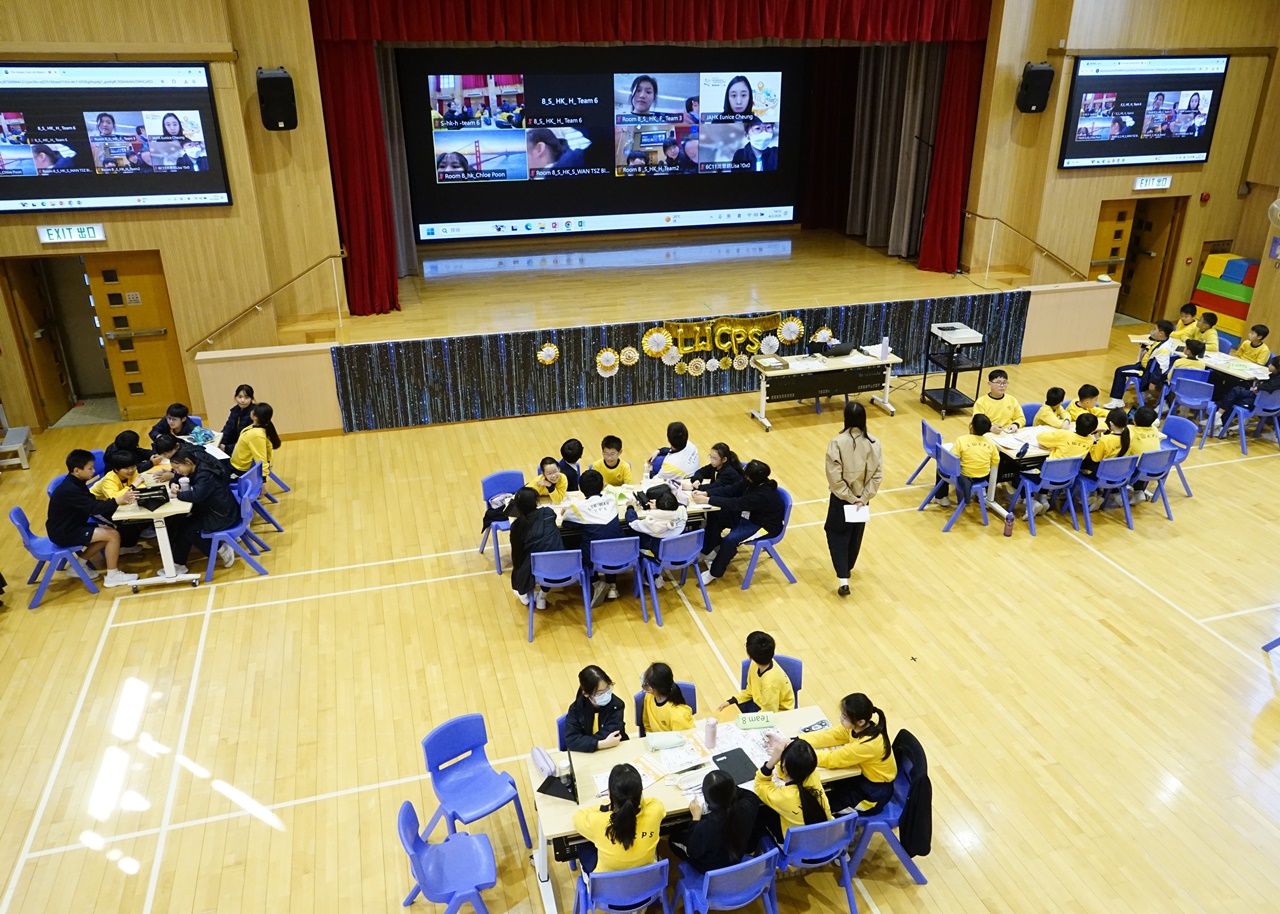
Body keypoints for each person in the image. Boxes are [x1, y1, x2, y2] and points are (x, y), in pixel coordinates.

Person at [46, 450, 139, 587]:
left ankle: (78, 566)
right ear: (77, 470)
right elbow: (93, 508)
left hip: (72, 525)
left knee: (107, 530)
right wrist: (117, 501)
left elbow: (92, 502)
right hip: (64, 532)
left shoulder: (77, 482)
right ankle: (112, 576)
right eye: (90, 468)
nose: (93, 471)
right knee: (112, 535)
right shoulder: (70, 490)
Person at [800, 693, 897, 814]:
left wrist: (802, 754)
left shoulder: (867, 745)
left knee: (823, 809)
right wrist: (799, 740)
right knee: (820, 795)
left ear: (860, 722)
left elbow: (832, 759)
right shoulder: (858, 728)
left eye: (845, 717)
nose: (840, 719)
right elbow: (833, 735)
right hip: (860, 778)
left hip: (872, 794)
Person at [823, 401, 883, 597]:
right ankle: (847, 567)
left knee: (836, 533)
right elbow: (877, 475)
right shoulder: (874, 443)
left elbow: (834, 477)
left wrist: (849, 497)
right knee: (855, 536)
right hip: (862, 501)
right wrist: (863, 498)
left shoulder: (837, 442)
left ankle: (843, 578)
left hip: (841, 500)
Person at [694, 459, 784, 586]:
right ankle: (707, 551)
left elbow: (736, 504)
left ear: (753, 478)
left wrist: (708, 500)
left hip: (763, 526)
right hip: (748, 515)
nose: (745, 477)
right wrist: (706, 492)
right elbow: (731, 490)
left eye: (747, 476)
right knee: (717, 515)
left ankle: (714, 573)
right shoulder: (750, 481)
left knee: (730, 540)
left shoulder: (762, 495)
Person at [572, 763, 662, 873]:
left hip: (607, 882)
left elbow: (578, 816)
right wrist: (635, 800)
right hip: (646, 879)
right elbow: (653, 801)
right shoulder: (655, 811)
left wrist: (605, 807)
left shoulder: (597, 821)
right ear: (641, 791)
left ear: (610, 793)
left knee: (582, 845)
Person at [164, 448, 238, 577]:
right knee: (182, 525)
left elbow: (197, 496)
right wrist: (173, 484)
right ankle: (179, 564)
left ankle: (222, 549)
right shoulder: (197, 466)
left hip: (222, 515)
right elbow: (177, 477)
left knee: (188, 530)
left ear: (187, 462)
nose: (177, 471)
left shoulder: (205, 474)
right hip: (215, 509)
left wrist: (178, 495)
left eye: (177, 467)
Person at [669, 769, 758, 874]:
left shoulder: (704, 827)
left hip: (710, 868)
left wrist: (695, 819)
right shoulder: (748, 806)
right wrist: (725, 787)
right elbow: (749, 794)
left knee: (673, 839)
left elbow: (693, 852)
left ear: (707, 800)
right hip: (736, 856)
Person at [561, 469, 623, 605]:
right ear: (602, 486)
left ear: (580, 488)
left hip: (594, 557)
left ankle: (596, 582)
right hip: (620, 553)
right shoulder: (612, 499)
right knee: (609, 539)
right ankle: (612, 585)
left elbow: (566, 524)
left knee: (574, 543)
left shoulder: (577, 507)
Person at [754, 737, 831, 843]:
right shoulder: (814, 776)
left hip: (799, 846)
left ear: (784, 766)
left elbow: (760, 785)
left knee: (761, 813)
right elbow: (788, 772)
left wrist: (773, 760)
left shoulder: (784, 797)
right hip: (828, 839)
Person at [508, 487, 563, 608]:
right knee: (551, 550)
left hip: (536, 568)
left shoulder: (517, 526)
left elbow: (517, 555)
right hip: (563, 566)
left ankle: (526, 598)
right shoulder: (548, 513)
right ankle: (542, 596)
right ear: (536, 502)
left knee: (520, 566)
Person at [717, 631, 794, 714]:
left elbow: (768, 714)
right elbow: (750, 691)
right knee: (725, 713)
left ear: (750, 656)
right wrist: (732, 701)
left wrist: (748, 720)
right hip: (758, 702)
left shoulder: (770, 684)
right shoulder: (755, 663)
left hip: (776, 713)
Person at [931, 414, 999, 507]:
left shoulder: (961, 440)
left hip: (966, 475)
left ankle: (941, 497)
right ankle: (980, 491)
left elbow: (952, 459)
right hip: (983, 477)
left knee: (942, 466)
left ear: (971, 426)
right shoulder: (990, 442)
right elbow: (995, 461)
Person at [563, 665, 628, 752]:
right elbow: (571, 740)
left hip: (613, 749)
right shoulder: (576, 708)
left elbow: (612, 733)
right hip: (588, 753)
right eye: (600, 693)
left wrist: (584, 742)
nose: (606, 694)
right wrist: (600, 744)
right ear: (586, 694)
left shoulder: (617, 705)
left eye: (608, 688)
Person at [1108, 321, 1177, 403]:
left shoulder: (1164, 349)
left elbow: (1162, 367)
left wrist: (1153, 382)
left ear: (1161, 334)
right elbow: (1154, 346)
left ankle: (1117, 401)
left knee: (1120, 371)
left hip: (1146, 372)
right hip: (1145, 366)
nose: (1152, 331)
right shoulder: (1166, 340)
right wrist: (1147, 349)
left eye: (1155, 329)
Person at [1215, 356, 1280, 437]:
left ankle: (1221, 426)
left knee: (1233, 401)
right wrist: (1259, 388)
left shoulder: (1277, 381)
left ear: (1278, 368)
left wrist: (1258, 388)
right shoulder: (1274, 376)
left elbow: (1270, 386)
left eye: (1271, 364)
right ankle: (1218, 416)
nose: (1269, 365)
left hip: (1262, 404)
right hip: (1264, 400)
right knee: (1235, 390)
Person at [625, 488, 687, 556]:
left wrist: (630, 507)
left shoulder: (652, 523)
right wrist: (662, 505)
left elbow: (632, 523)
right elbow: (682, 505)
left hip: (658, 555)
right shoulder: (682, 513)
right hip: (680, 551)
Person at [230, 403, 281, 478]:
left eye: (252, 411)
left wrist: (263, 477)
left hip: (239, 469)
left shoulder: (257, 435)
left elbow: (261, 457)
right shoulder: (256, 428)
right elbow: (267, 448)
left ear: (255, 417)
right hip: (237, 463)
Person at [640, 662, 695, 732]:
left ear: (651, 689)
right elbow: (646, 722)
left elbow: (683, 737)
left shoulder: (678, 715)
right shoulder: (649, 696)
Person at [1084, 408, 1131, 484]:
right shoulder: (1128, 436)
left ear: (1111, 423)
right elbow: (1116, 438)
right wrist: (1106, 431)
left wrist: (1094, 441)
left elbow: (1095, 459)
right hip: (1119, 472)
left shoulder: (1105, 440)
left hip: (1101, 474)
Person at [220, 384, 256, 451]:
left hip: (246, 449)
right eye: (240, 397)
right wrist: (220, 442)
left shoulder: (254, 414)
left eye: (246, 397)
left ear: (251, 398)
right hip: (234, 445)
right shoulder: (235, 411)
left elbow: (248, 440)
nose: (242, 400)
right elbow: (227, 429)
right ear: (235, 397)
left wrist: (226, 448)